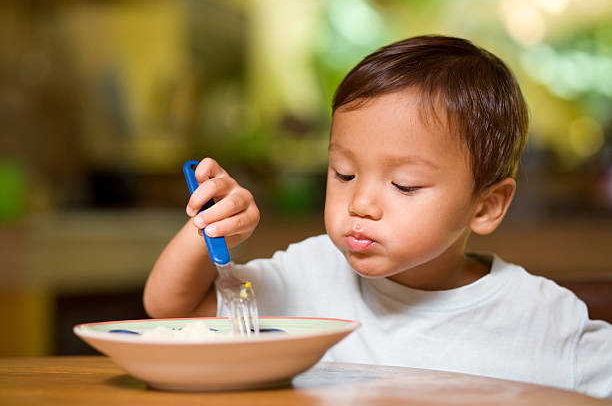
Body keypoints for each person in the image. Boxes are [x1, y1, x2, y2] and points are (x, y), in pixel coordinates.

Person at [144, 35, 612, 399]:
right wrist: (209, 227)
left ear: (485, 206)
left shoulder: (542, 320)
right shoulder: (309, 275)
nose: (360, 203)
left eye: (404, 184)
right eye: (344, 174)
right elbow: (174, 308)